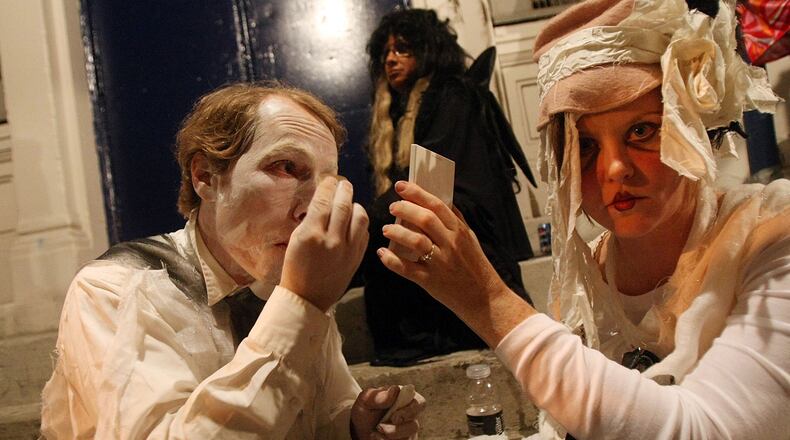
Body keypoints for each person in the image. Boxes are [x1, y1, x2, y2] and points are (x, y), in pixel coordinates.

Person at [377, 0, 789, 438]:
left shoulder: (769, 237)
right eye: (585, 146)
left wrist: (489, 300)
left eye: (641, 130)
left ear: (692, 126)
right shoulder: (587, 278)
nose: (614, 169)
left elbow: (706, 429)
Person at [40, 82, 424, 439]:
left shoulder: (282, 282)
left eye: (327, 183)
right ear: (205, 176)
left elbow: (317, 412)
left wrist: (351, 424)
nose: (312, 210)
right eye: (287, 168)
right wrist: (301, 306)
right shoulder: (118, 288)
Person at [362, 8, 537, 366]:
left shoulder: (451, 95)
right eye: (386, 53)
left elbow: (430, 179)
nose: (391, 59)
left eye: (403, 49)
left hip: (465, 231)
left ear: (427, 51)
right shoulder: (398, 114)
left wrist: (366, 222)